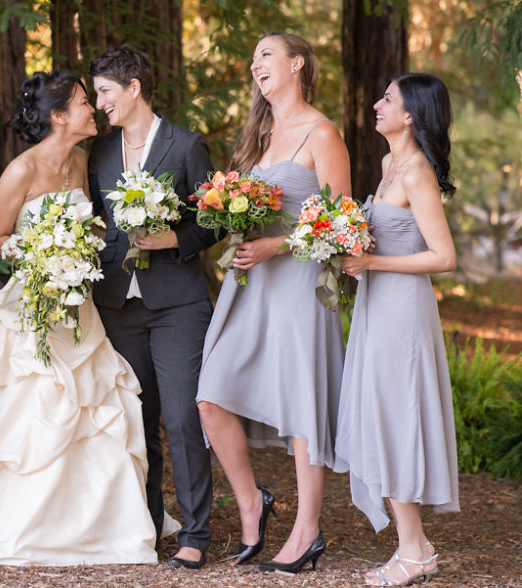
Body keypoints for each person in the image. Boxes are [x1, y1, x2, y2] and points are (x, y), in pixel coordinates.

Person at [0, 70, 157, 566]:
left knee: (94, 408)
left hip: (78, 308)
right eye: (82, 103)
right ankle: (21, 522)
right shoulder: (21, 171)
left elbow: (91, 227)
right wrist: (42, 255)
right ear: (58, 116)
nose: (92, 109)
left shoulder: (81, 160)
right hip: (33, 303)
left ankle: (96, 524)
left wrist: (78, 250)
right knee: (32, 405)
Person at [196, 32, 351, 573]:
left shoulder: (321, 132)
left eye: (265, 54)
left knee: (302, 405)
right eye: (253, 55)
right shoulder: (261, 134)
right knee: (211, 396)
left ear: (296, 64)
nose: (255, 63)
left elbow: (342, 221)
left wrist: (276, 244)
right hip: (251, 283)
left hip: (299, 286)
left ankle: (307, 531)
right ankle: (252, 504)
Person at [87, 45, 216, 569]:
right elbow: (97, 220)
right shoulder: (98, 154)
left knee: (183, 416)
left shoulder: (187, 147)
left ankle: (196, 532)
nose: (99, 104)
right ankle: (145, 526)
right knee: (137, 421)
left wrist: (172, 239)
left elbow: (214, 221)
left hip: (178, 304)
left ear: (134, 87)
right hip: (118, 303)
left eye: (105, 92)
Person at [336, 73, 458, 586]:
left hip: (402, 312)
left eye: (387, 99)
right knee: (378, 414)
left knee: (395, 418)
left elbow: (444, 257)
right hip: (375, 306)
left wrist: (374, 263)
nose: (375, 103)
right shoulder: (389, 164)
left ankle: (414, 551)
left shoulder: (416, 174)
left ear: (411, 115)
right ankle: (416, 546)